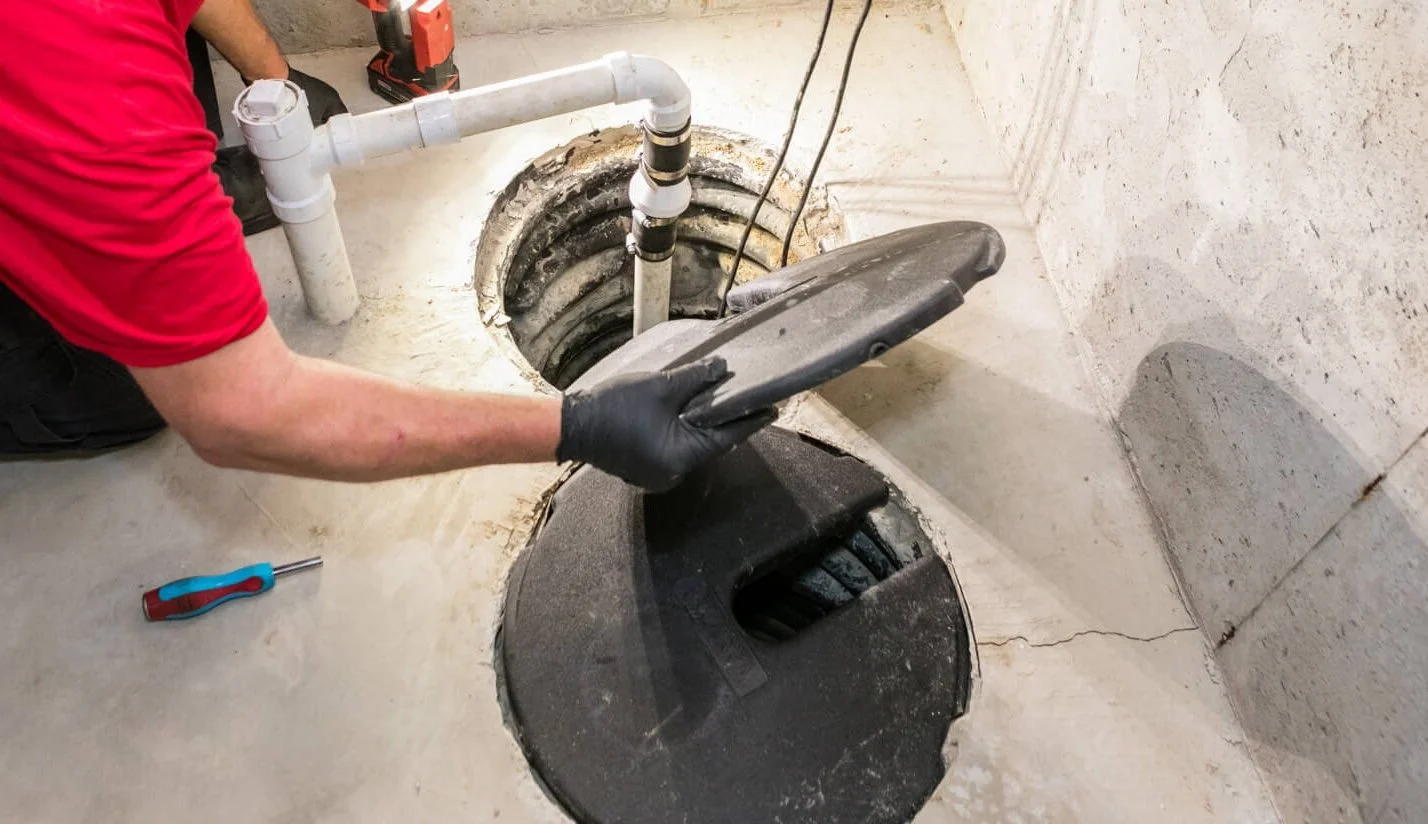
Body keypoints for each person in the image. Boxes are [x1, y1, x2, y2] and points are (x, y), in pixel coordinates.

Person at [0, 0, 773, 492]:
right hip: (55, 85)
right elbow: (241, 409)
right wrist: (582, 428)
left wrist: (277, 84)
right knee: (116, 397)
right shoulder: (91, 83)